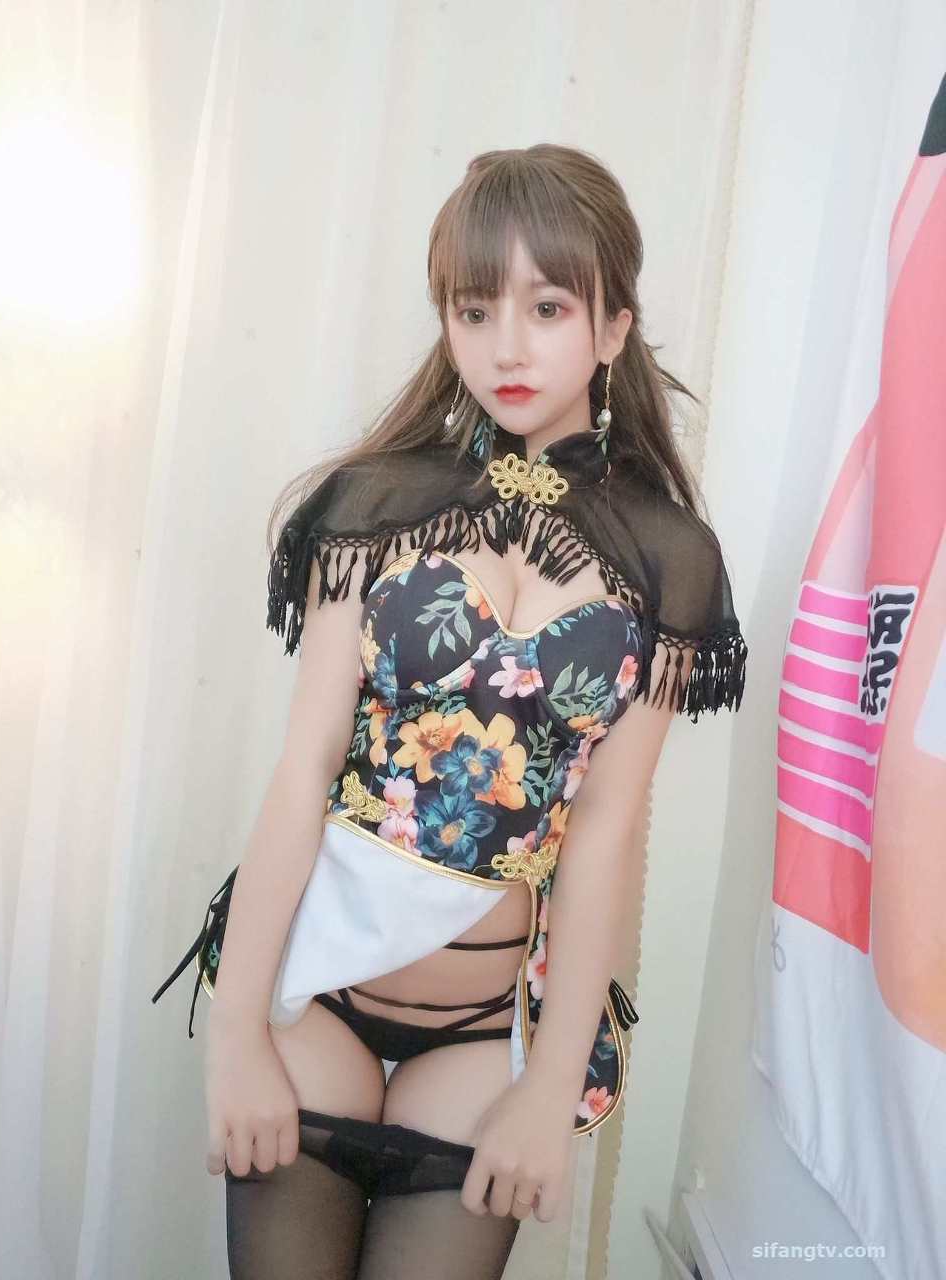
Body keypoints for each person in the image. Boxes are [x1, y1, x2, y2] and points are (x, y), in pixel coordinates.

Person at [152, 142, 747, 1279]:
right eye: (475, 311)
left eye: (548, 307)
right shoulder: (375, 505)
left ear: (614, 328)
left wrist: (552, 1084)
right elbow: (305, 768)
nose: (506, 346)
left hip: (486, 1033)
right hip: (316, 988)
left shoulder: (669, 560)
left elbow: (606, 834)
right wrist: (235, 1032)